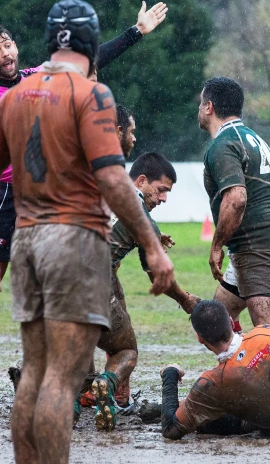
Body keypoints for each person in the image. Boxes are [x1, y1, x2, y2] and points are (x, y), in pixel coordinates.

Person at [0, 0, 174, 464]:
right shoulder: (91, 95)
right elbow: (112, 178)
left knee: (37, 372)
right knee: (63, 377)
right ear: (91, 43)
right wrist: (151, 245)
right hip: (74, 241)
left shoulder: (15, 97)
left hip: (26, 242)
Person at [89, 151, 200, 430]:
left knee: (114, 312)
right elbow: (156, 274)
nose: (163, 199)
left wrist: (149, 234)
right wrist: (185, 299)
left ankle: (111, 399)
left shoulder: (104, 186)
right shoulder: (141, 215)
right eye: (161, 190)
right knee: (126, 349)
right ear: (141, 181)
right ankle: (105, 384)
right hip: (91, 281)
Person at [198, 76, 270, 358]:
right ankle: (241, 368)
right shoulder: (254, 138)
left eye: (200, 103)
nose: (198, 109)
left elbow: (237, 199)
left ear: (209, 107)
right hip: (254, 243)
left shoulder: (223, 144)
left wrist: (216, 245)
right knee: (217, 318)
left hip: (258, 246)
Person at [159, 300, 270, 439]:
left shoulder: (212, 382)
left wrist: (170, 374)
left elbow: (170, 429)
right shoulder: (266, 331)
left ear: (200, 339)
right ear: (231, 322)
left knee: (211, 417)